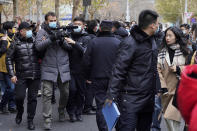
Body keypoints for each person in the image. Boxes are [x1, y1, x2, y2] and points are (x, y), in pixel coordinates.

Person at [106, 10, 160, 131]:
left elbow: (153, 68)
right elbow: (118, 70)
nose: (158, 25)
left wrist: (157, 89)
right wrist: (111, 95)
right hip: (129, 99)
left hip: (148, 98)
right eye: (157, 23)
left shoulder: (152, 40)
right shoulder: (130, 43)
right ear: (152, 25)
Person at [35, 12, 71, 130]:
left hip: (63, 67)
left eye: (54, 20)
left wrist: (61, 40)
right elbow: (38, 46)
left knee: (65, 92)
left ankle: (61, 110)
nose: (53, 22)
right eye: (50, 20)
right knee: (47, 94)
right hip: (48, 66)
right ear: (46, 21)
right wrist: (51, 38)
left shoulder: (62, 29)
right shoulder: (42, 32)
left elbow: (70, 47)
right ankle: (47, 119)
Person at [83, 20, 121, 131]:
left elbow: (86, 62)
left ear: (100, 28)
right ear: (112, 29)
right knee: (116, 104)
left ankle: (103, 129)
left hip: (98, 78)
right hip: (115, 79)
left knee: (100, 106)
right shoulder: (118, 43)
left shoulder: (94, 42)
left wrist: (88, 77)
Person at [6, 22, 40, 130]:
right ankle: (20, 112)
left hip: (35, 75)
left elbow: (42, 54)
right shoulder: (15, 43)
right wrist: (12, 74)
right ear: (21, 31)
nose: (30, 31)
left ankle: (30, 120)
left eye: (30, 29)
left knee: (32, 99)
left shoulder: (36, 41)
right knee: (19, 97)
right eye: (27, 29)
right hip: (21, 75)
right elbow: (8, 59)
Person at [157, 26, 189, 131]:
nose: (167, 38)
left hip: (179, 91)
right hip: (166, 92)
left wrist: (179, 68)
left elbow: (191, 69)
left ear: (177, 36)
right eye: (166, 35)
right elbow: (158, 71)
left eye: (170, 35)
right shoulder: (161, 52)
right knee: (170, 120)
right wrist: (162, 86)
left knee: (169, 117)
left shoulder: (186, 52)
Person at [65, 17, 91, 122]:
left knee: (81, 93)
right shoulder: (68, 35)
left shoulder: (87, 38)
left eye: (79, 24)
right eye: (75, 24)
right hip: (70, 69)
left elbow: (85, 52)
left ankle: (78, 113)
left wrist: (74, 43)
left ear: (83, 26)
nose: (77, 26)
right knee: (72, 90)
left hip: (82, 70)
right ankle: (71, 112)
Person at [0, 21, 17, 114]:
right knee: (10, 88)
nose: (15, 29)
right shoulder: (2, 38)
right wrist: (3, 42)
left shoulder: (13, 37)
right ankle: (2, 105)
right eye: (14, 27)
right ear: (9, 29)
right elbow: (2, 50)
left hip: (11, 67)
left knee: (10, 88)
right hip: (3, 67)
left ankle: (11, 106)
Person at [83, 19, 99, 115]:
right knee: (90, 89)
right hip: (90, 67)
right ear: (94, 28)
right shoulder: (92, 39)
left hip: (86, 67)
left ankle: (88, 105)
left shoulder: (86, 37)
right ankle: (87, 107)